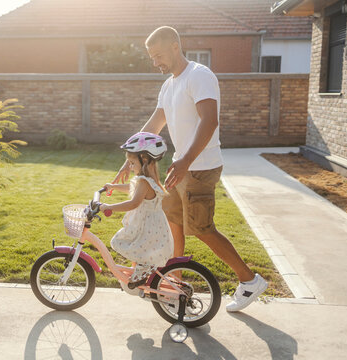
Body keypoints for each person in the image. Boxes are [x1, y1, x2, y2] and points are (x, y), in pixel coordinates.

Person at [112, 26, 267, 312]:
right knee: (173, 226)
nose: (155, 62)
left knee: (202, 228)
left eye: (158, 55)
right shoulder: (169, 84)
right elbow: (155, 125)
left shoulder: (199, 75)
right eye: (151, 57)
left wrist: (185, 162)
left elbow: (209, 122)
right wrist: (130, 157)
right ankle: (174, 283)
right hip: (180, 167)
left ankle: (250, 281)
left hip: (200, 167)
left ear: (174, 46)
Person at [100, 132, 174, 288]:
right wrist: (114, 186)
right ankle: (143, 269)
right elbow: (132, 188)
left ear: (144, 160)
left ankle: (143, 270)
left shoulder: (144, 181)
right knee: (136, 249)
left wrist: (109, 208)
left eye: (132, 163)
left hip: (147, 228)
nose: (131, 167)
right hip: (152, 226)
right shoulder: (148, 179)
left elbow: (133, 203)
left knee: (120, 242)